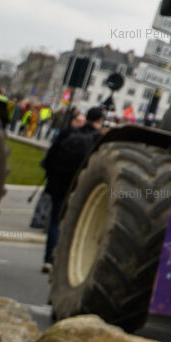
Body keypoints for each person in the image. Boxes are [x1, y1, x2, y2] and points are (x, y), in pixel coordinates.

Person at [40, 106, 103, 273]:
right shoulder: (98, 139)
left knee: (55, 221)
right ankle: (64, 261)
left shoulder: (68, 133)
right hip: (79, 188)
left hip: (59, 184)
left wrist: (51, 177)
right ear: (99, 120)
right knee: (75, 224)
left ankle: (48, 258)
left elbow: (50, 157)